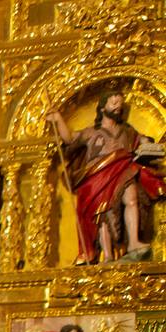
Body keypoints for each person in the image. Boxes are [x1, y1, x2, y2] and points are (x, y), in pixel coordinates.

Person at [47, 92, 165, 265]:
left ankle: (134, 243)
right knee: (102, 213)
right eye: (114, 102)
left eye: (120, 103)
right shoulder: (91, 132)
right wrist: (58, 119)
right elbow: (70, 139)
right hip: (98, 176)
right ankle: (108, 256)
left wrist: (147, 143)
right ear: (102, 107)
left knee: (132, 199)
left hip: (124, 170)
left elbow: (142, 142)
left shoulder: (127, 130)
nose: (118, 106)